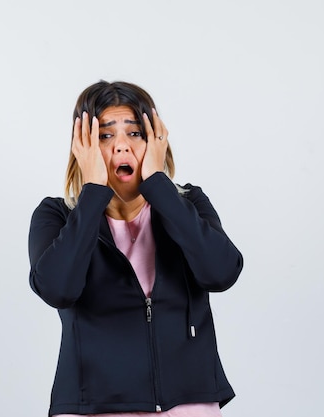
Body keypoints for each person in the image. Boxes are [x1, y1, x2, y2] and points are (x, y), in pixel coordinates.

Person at [28, 80, 243, 417]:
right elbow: (58, 289)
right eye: (105, 135)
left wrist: (159, 185)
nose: (121, 147)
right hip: (92, 408)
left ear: (156, 142)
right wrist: (94, 193)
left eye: (135, 133)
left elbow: (221, 273)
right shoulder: (57, 216)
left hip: (189, 403)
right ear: (82, 147)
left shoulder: (188, 204)